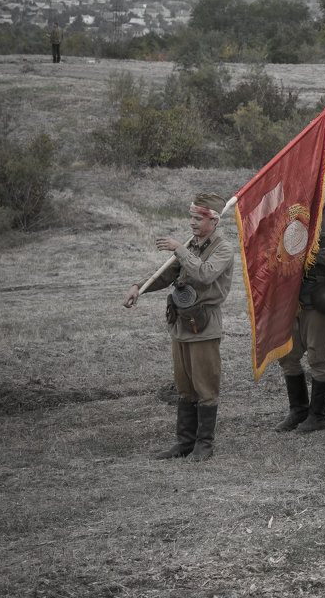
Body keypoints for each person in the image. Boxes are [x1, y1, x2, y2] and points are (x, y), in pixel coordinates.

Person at [123, 193, 235, 462]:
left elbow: (205, 274)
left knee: (205, 385)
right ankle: (184, 442)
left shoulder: (222, 248)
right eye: (191, 218)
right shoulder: (190, 245)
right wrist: (140, 286)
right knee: (184, 386)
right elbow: (169, 273)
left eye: (198, 219)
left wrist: (180, 249)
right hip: (181, 324)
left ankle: (204, 445)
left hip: (205, 325)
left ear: (214, 220)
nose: (192, 223)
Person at [273, 196, 325, 433]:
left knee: (318, 358)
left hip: (321, 298)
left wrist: (309, 250)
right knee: (287, 354)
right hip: (292, 296)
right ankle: (298, 410)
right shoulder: (292, 215)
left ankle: (317, 416)